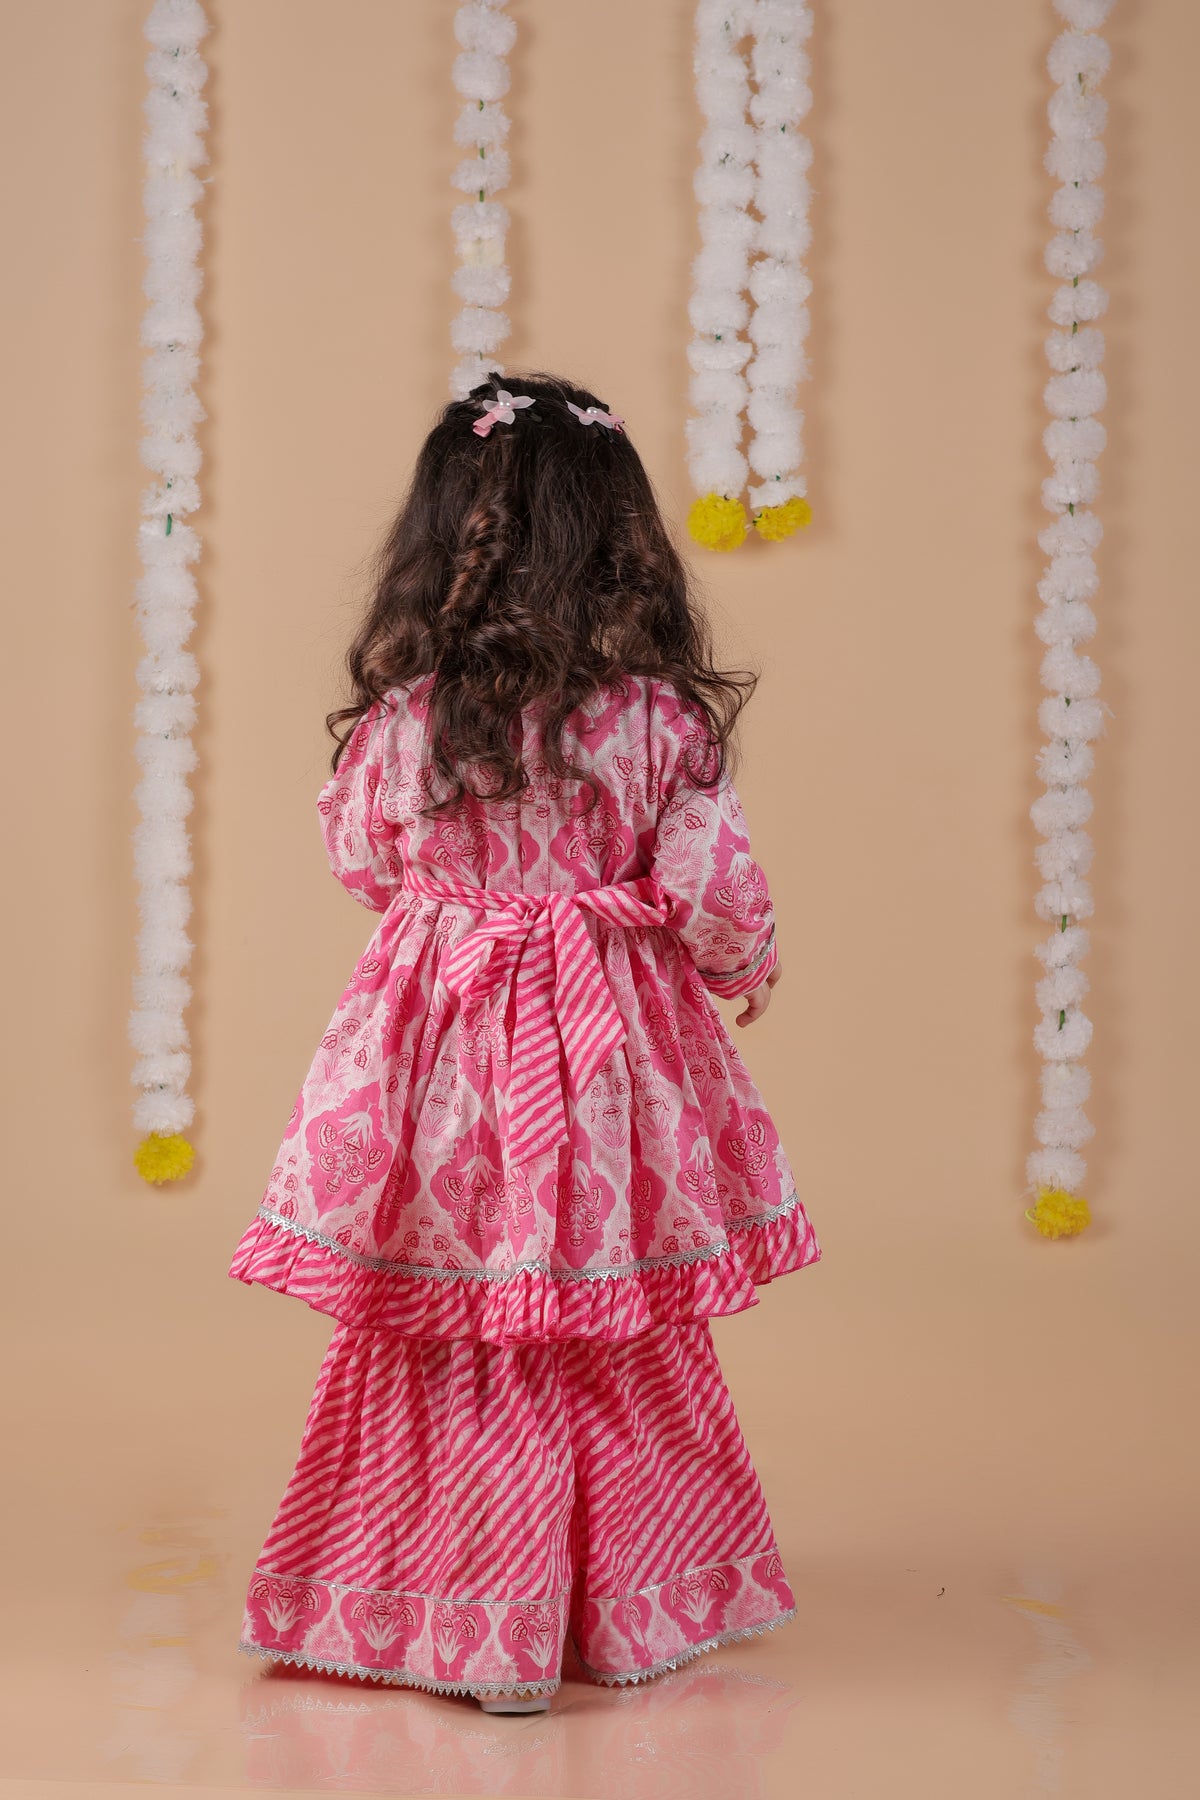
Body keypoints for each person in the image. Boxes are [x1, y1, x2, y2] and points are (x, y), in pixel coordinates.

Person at [227, 370, 822, 1713]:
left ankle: (451, 1602)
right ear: (620, 537)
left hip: (444, 1056)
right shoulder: (658, 723)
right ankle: (614, 1598)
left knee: (450, 1307)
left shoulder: (411, 722)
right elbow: (712, 885)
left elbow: (362, 860)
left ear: (445, 535)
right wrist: (742, 963)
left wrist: (470, 903)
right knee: (599, 1310)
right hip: (607, 1057)